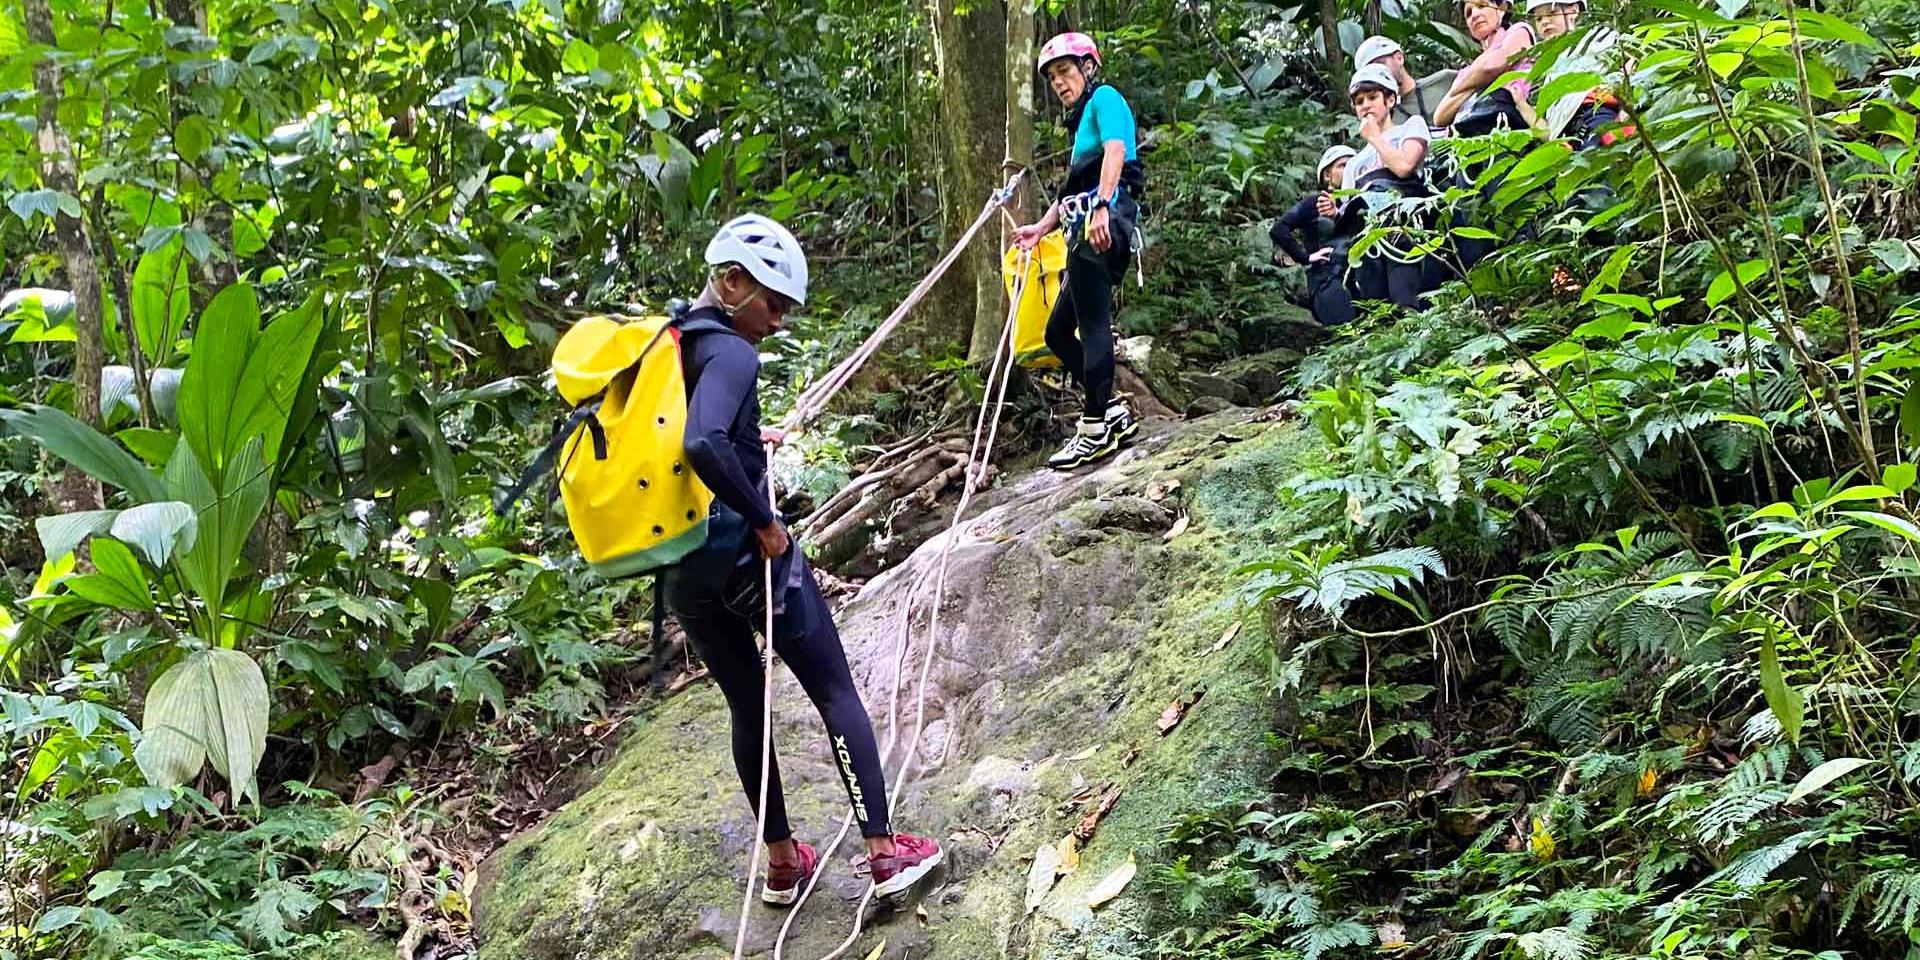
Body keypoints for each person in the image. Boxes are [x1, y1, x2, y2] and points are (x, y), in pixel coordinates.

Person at [666, 214, 944, 906]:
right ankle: (885, 853)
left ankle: (784, 862)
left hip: (681, 565)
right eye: (772, 302)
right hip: (741, 553)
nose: (779, 321)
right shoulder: (732, 353)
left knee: (744, 705)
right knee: (834, 689)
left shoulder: (672, 340)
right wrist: (767, 525)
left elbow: (683, 433)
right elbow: (702, 443)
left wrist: (741, 437)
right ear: (732, 282)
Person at [1011, 31, 1146, 471]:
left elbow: (1116, 151)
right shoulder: (1082, 122)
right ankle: (1109, 413)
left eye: (1065, 71)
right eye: (1052, 78)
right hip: (1084, 226)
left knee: (1092, 324)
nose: (1060, 83)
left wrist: (1104, 206)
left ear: (1088, 68)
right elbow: (1073, 190)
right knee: (1056, 333)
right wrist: (1039, 229)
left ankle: (1092, 430)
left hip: (1103, 222)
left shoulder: (1105, 98)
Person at [1338, 65, 1432, 310]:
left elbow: (1405, 167)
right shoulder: (1354, 164)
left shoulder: (1411, 127)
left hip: (1404, 229)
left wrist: (1375, 138)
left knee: (1405, 299)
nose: (1366, 105)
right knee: (1378, 308)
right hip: (1367, 241)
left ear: (1390, 100)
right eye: (1360, 102)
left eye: (1372, 97)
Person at [1529, 0, 1634, 149]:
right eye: (1538, 19)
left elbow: (1631, 62)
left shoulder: (1597, 37)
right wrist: (1520, 103)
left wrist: (1624, 114)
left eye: (1551, 13)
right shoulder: (1549, 69)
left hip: (1595, 115)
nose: (1545, 22)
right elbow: (1550, 131)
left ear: (1573, 11)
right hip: (1567, 137)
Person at [1272, 145, 1358, 327]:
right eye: (1342, 165)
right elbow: (1279, 228)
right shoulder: (1316, 203)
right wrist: (1305, 257)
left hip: (1361, 279)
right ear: (1327, 175)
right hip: (1328, 280)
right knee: (1346, 330)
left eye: (1353, 164)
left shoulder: (1361, 203)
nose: (1349, 169)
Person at [1433, 0, 1537, 133]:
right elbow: (1440, 116)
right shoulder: (1467, 70)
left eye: (1482, 6)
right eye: (1469, 14)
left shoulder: (1519, 31)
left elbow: (1492, 66)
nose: (1475, 15)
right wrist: (1478, 77)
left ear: (1501, 9)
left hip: (1518, 125)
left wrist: (1461, 89)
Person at [1353, 35, 1455, 128]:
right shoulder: (1384, 115)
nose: (1379, 72)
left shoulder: (1446, 80)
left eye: (1381, 64)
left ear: (1399, 58)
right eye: (1371, 72)